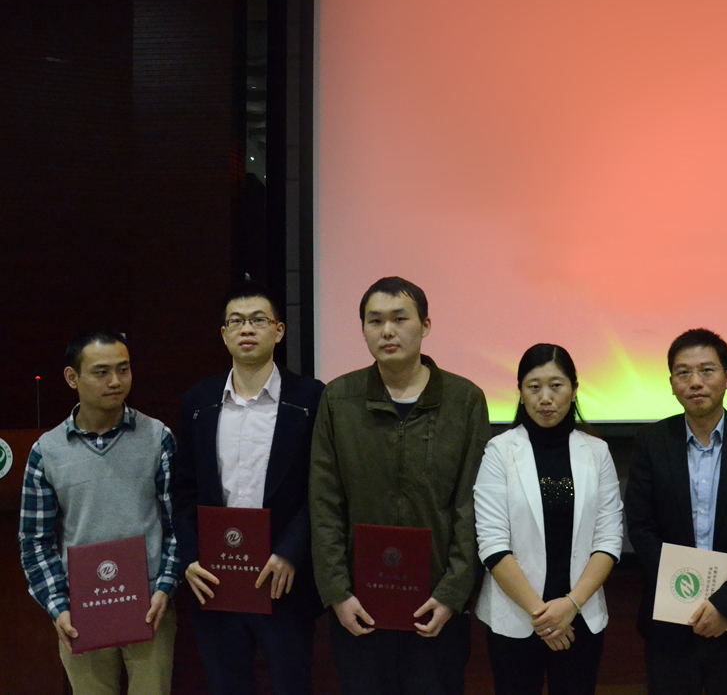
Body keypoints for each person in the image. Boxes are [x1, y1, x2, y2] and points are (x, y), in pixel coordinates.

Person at [309, 276, 491, 695]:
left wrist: (452, 594)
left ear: (425, 325)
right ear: (363, 329)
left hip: (436, 606)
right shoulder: (339, 399)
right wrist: (338, 593)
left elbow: (471, 505)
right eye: (375, 321)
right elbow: (324, 503)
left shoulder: (465, 400)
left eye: (399, 319)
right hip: (360, 605)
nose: (387, 331)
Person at [171, 282, 326, 695]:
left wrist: (291, 551)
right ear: (224, 334)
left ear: (279, 330)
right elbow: (183, 490)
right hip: (216, 579)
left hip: (283, 580)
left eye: (258, 320)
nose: (247, 329)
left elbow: (323, 489)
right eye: (236, 321)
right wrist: (191, 558)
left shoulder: (311, 398)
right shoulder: (199, 401)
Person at [624, 328, 727, 695]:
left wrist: (725, 605)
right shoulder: (651, 442)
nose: (695, 382)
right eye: (683, 373)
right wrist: (683, 596)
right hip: (670, 622)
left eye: (707, 371)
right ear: (671, 383)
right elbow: (641, 527)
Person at [19, 327, 180, 695]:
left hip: (150, 608)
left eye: (123, 369)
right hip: (81, 612)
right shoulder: (47, 451)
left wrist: (165, 588)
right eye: (101, 372)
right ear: (72, 377)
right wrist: (59, 606)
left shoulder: (157, 437)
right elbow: (35, 541)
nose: (116, 381)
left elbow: (176, 525)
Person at [473, 344, 624, 695]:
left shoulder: (596, 451)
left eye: (556, 386)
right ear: (520, 392)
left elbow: (608, 539)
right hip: (516, 617)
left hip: (580, 615)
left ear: (574, 389)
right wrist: (544, 617)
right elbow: (492, 544)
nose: (545, 398)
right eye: (534, 386)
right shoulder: (499, 451)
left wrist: (570, 606)